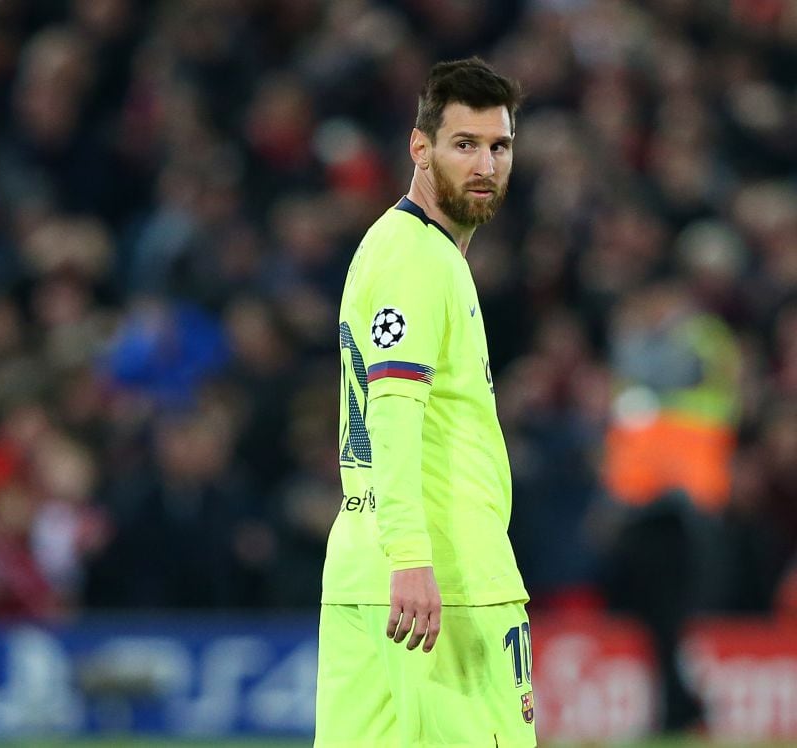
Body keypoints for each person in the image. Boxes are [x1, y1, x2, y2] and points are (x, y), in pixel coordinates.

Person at [315, 58, 535, 747]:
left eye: (498, 146)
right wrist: (413, 557)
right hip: (445, 579)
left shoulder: (393, 247)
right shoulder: (418, 259)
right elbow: (393, 410)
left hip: (363, 570)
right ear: (420, 148)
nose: (485, 165)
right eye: (463, 144)